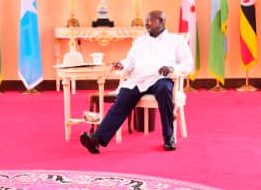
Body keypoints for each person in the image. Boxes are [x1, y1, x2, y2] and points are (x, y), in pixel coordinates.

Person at [79, 10, 192, 153]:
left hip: (161, 79)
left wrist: (171, 68)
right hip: (139, 79)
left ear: (162, 22)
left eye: (150, 20)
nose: (146, 23)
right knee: (123, 97)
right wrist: (122, 64)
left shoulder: (176, 40)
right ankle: (97, 139)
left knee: (164, 91)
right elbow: (130, 62)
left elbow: (187, 64)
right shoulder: (140, 41)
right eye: (146, 20)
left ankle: (169, 137)